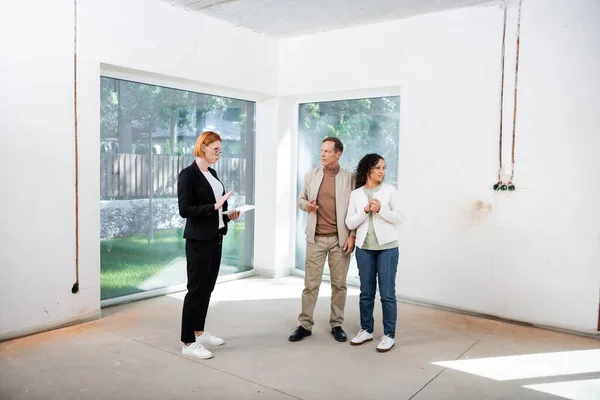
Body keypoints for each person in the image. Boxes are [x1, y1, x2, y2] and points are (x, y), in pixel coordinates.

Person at [177, 130, 240, 359]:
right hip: (197, 241)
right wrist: (214, 207)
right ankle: (187, 341)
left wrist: (227, 214)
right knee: (195, 291)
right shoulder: (188, 175)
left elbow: (218, 207)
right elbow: (185, 210)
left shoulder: (212, 174)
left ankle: (199, 331)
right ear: (203, 146)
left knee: (208, 288)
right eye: (215, 150)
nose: (218, 154)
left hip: (216, 237)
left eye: (220, 151)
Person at [289, 137, 356, 343]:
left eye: (328, 151)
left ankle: (337, 324)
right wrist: (305, 206)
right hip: (315, 238)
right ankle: (305, 324)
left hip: (340, 239)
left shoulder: (350, 178)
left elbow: (355, 209)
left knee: (339, 285)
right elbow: (300, 199)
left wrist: (352, 235)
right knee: (310, 285)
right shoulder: (311, 175)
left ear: (338, 154)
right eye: (322, 150)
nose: (323, 154)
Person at [345, 154, 404, 353]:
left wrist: (380, 210)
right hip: (364, 249)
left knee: (387, 294)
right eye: (378, 167)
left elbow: (400, 218)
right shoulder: (356, 194)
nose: (382, 171)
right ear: (368, 169)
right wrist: (365, 210)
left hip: (388, 248)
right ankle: (366, 330)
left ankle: (389, 335)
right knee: (366, 293)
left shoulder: (389, 190)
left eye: (383, 168)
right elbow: (350, 223)